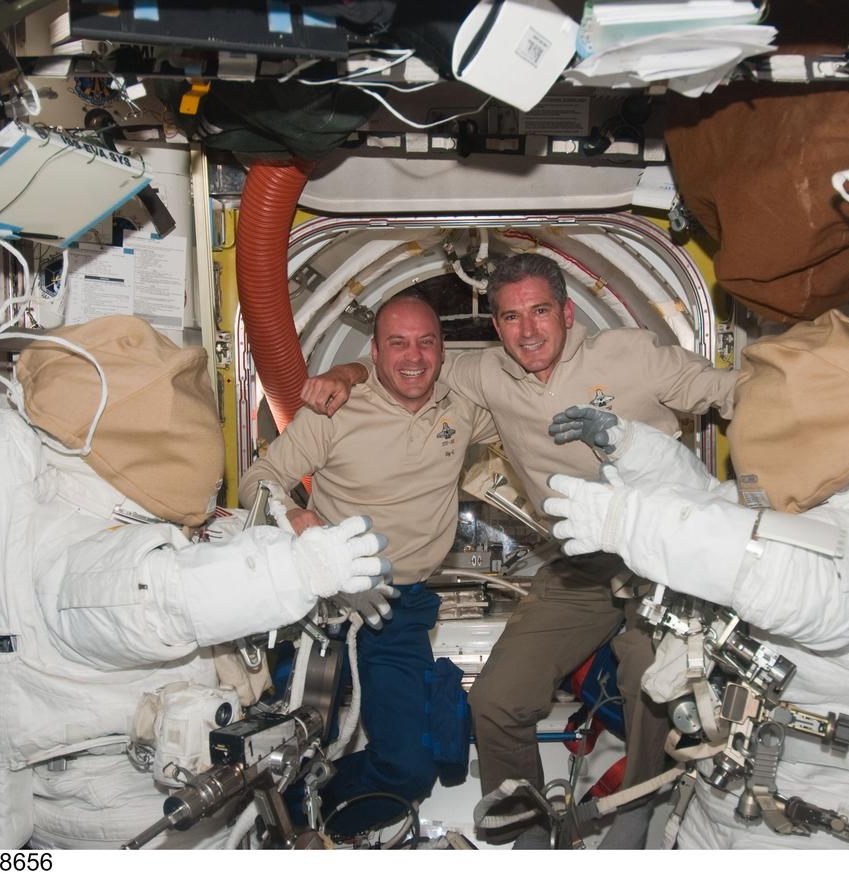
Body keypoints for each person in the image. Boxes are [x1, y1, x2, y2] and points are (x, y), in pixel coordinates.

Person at [301, 253, 738, 848]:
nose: (527, 331)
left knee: (647, 676)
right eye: (510, 317)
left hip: (660, 564)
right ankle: (525, 824)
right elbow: (407, 360)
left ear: (567, 312)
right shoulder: (484, 374)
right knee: (496, 699)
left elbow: (728, 392)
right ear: (496, 326)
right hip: (579, 570)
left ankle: (636, 811)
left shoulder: (631, 355)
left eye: (539, 312)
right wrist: (347, 374)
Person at [543, 310, 849, 848]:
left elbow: (786, 574)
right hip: (730, 789)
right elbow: (713, 506)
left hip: (820, 817)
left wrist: (632, 522)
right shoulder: (815, 508)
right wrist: (629, 448)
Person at [0, 315, 388, 849]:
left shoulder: (122, 519)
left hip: (171, 785)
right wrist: (294, 572)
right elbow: (156, 598)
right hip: (112, 803)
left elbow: (212, 546)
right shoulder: (67, 549)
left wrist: (316, 568)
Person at [239, 290, 498, 835]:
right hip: (324, 612)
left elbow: (532, 418)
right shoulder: (334, 412)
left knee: (409, 768)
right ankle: (280, 826)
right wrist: (296, 521)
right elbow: (255, 482)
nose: (413, 357)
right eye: (397, 343)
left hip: (400, 611)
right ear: (374, 354)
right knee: (288, 747)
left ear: (442, 350)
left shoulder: (463, 406)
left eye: (426, 342)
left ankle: (322, 826)